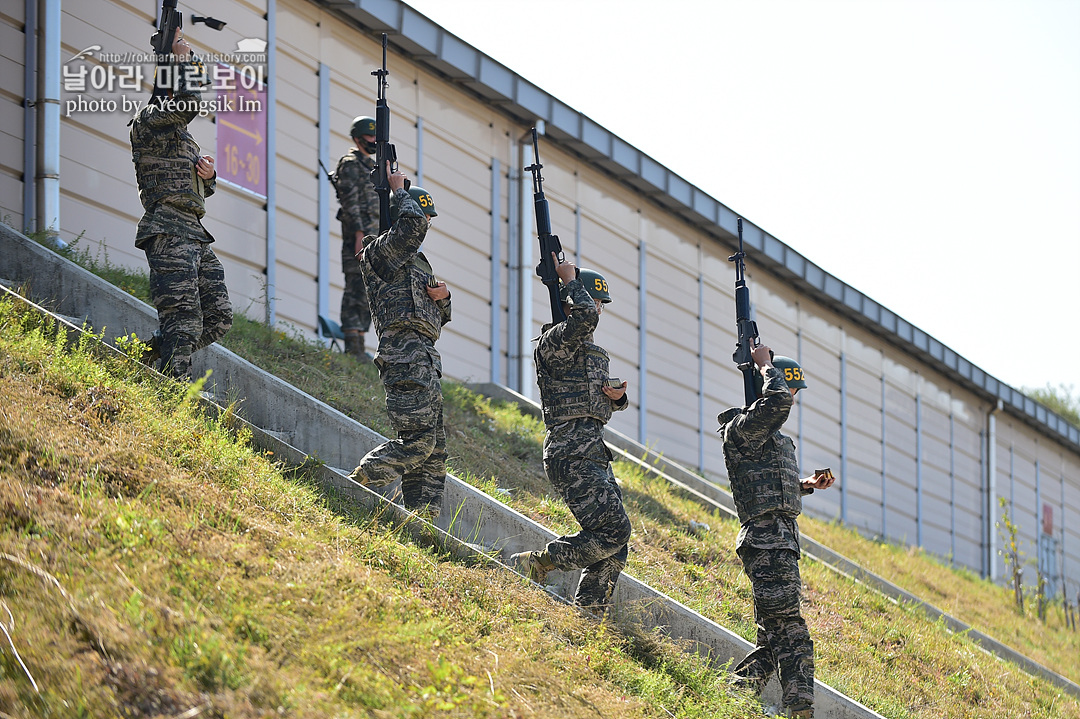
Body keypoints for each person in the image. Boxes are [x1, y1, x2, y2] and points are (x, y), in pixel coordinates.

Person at [716, 344, 837, 719]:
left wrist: (806, 484)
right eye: (791, 390)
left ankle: (735, 694)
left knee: (772, 634)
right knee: (791, 629)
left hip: (780, 539)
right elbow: (778, 403)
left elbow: (766, 482)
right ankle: (800, 707)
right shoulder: (743, 428)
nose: (793, 399)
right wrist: (767, 365)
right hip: (767, 539)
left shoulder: (766, 437)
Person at [511, 256, 632, 614]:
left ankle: (588, 611)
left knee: (615, 542)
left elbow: (597, 406)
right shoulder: (555, 342)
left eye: (599, 303)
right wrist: (568, 279)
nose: (596, 308)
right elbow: (584, 318)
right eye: (591, 300)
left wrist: (618, 399)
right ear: (571, 301)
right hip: (569, 451)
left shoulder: (589, 352)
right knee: (614, 530)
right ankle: (540, 562)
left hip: (592, 450)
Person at [130, 27, 232, 379]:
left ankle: (152, 349)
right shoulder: (148, 121)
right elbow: (188, 103)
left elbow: (191, 188)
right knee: (183, 318)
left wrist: (208, 178)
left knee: (219, 318)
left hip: (194, 231)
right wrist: (184, 59)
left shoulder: (180, 134)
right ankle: (175, 389)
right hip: (167, 229)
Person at [347, 167, 449, 516]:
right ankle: (363, 477)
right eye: (424, 215)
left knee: (434, 449)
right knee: (419, 443)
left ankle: (424, 517)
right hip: (403, 354)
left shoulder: (417, 263)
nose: (427, 222)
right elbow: (413, 227)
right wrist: (398, 191)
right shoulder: (383, 252)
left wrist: (444, 298)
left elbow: (437, 319)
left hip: (424, 356)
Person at [333, 116, 380, 360]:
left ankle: (360, 342)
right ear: (357, 139)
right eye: (368, 137)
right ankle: (353, 345)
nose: (372, 141)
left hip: (376, 239)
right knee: (355, 286)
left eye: (375, 137)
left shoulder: (374, 167)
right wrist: (360, 236)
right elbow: (351, 205)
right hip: (359, 237)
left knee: (368, 290)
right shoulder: (351, 164)